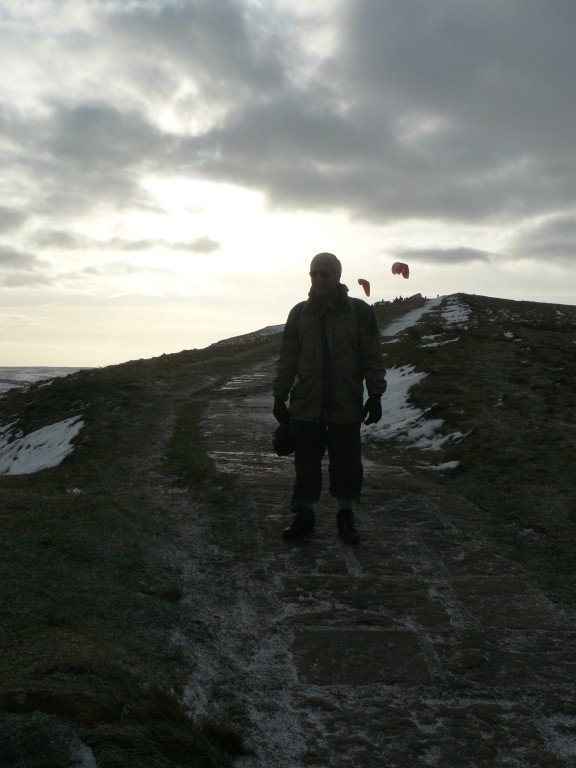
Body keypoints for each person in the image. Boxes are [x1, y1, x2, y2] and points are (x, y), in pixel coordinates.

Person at [273, 252, 386, 545]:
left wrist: (376, 394)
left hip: (345, 404)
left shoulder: (359, 311)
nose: (319, 279)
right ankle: (304, 515)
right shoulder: (299, 313)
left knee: (347, 464)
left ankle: (345, 515)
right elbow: (288, 358)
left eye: (325, 273)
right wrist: (279, 395)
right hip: (306, 404)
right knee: (306, 465)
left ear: (337, 276)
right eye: (314, 274)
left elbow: (372, 355)